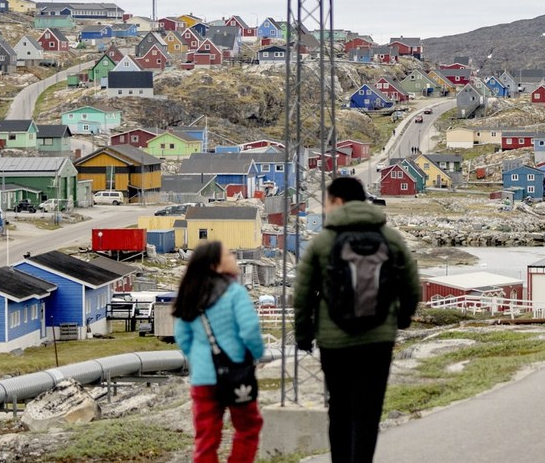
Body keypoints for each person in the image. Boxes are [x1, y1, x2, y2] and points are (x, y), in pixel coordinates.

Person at [295, 177, 421, 463]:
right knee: (368, 412)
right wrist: (401, 320)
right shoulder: (390, 238)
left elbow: (302, 293)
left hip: (334, 341)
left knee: (339, 409)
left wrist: (304, 334)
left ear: (337, 202)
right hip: (378, 340)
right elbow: (412, 285)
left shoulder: (323, 241)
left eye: (326, 203)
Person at [174, 241, 266, 463]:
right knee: (248, 428)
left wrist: (200, 358)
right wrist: (255, 354)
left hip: (203, 379)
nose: (233, 256)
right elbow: (250, 329)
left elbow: (183, 339)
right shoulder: (234, 292)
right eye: (228, 254)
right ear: (216, 266)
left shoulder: (190, 295)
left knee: (206, 439)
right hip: (236, 374)